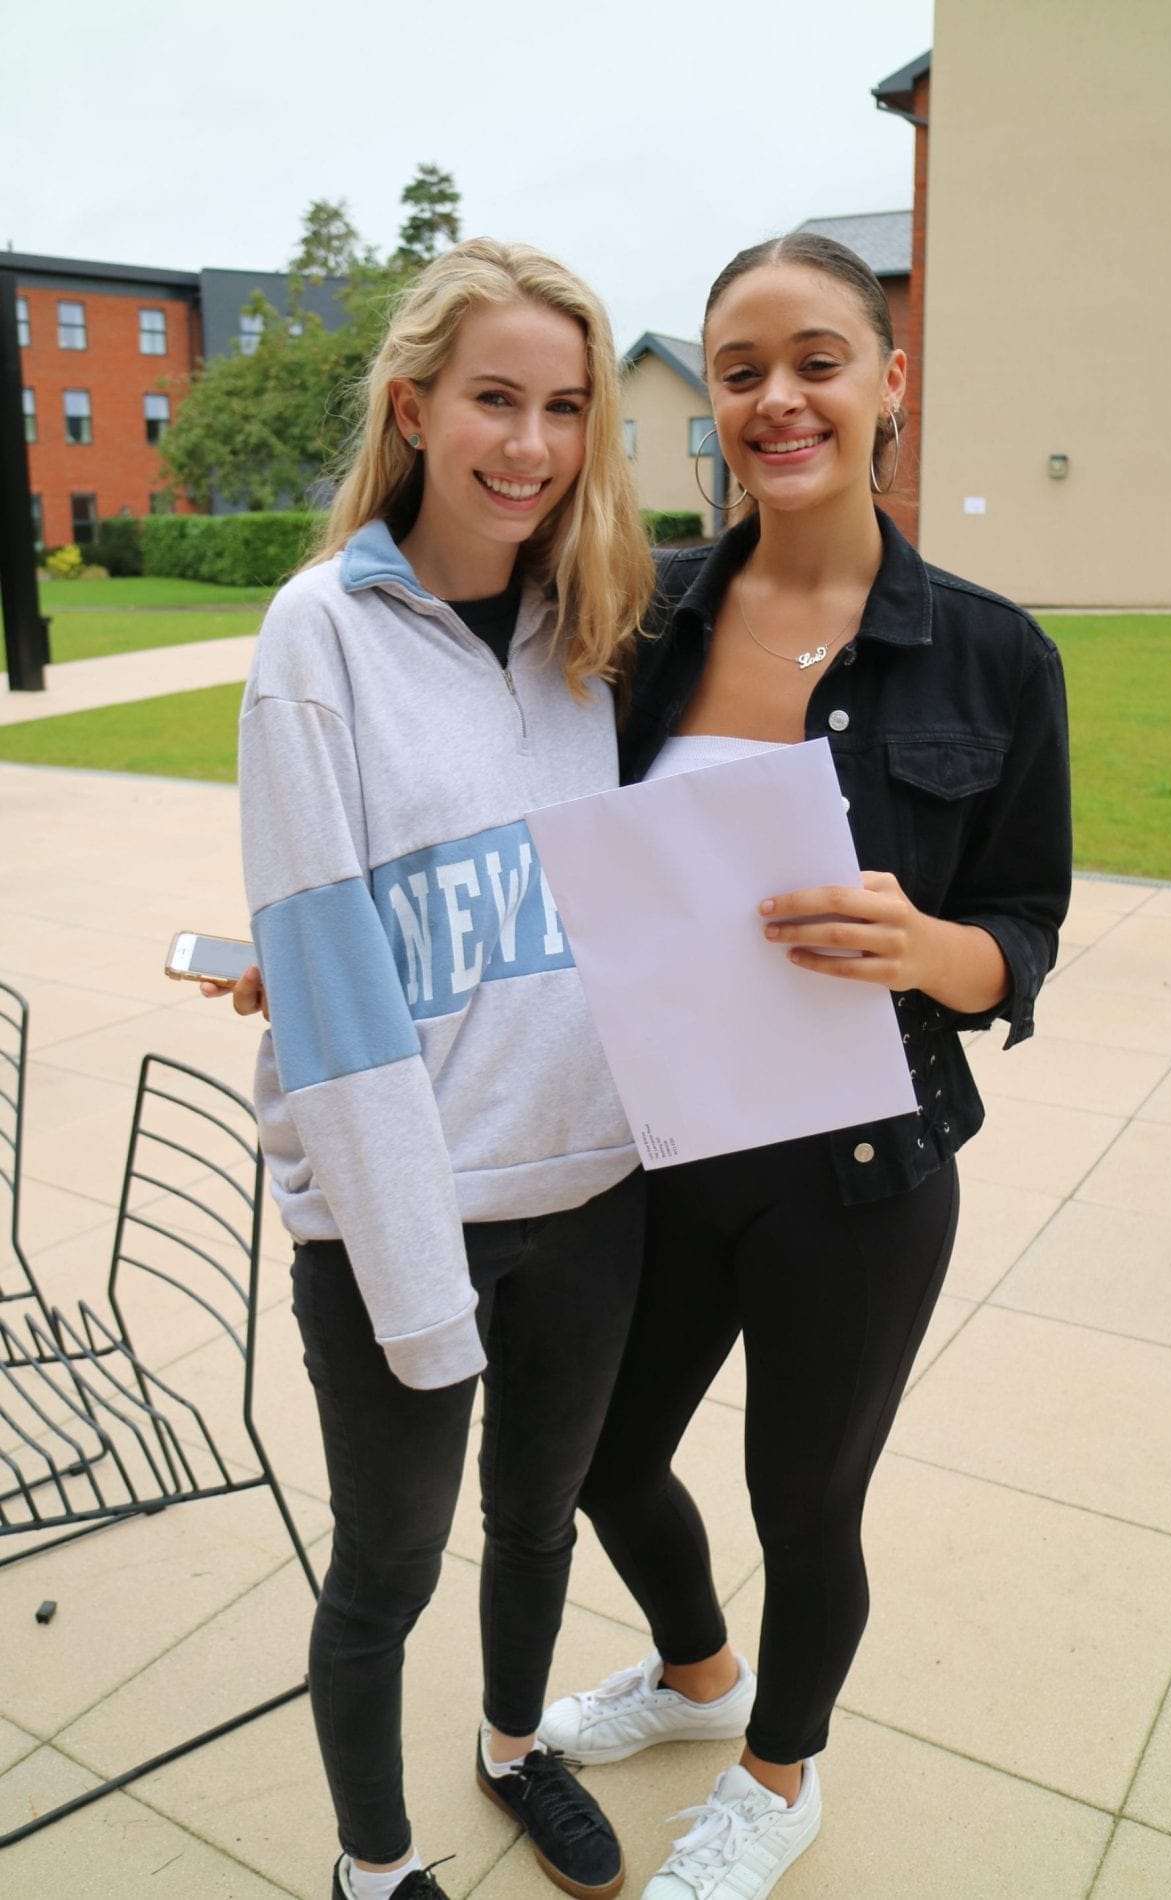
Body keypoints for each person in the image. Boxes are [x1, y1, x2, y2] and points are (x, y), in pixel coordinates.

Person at [534, 232, 1072, 1900]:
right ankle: (702, 1679)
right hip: (659, 1147)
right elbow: (520, 838)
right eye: (744, 368)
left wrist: (934, 950)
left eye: (818, 359)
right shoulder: (642, 618)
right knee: (607, 1459)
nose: (779, 398)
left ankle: (781, 1777)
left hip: (863, 1172)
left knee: (804, 1505)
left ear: (888, 384)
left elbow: (1026, 933)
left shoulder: (992, 654)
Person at [230, 236, 655, 1900]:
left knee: (538, 1529)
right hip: (400, 1220)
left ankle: (511, 1746)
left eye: (565, 406)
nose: (531, 444)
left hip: (592, 1191)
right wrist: (418, 1291)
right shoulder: (313, 638)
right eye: (495, 398)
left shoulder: (595, 621)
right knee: (388, 1566)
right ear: (414, 406)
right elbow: (333, 997)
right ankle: (373, 1863)